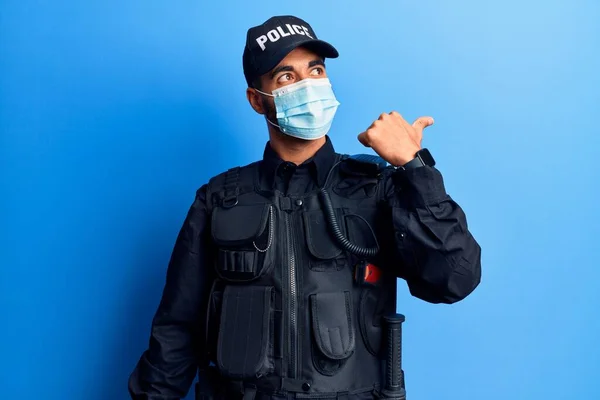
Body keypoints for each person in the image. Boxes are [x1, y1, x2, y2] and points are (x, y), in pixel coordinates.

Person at [128, 15, 482, 400]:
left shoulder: (378, 186)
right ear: (256, 100)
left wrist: (414, 167)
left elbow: (455, 278)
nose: (308, 86)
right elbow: (177, 330)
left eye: (315, 70)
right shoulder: (219, 199)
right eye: (286, 77)